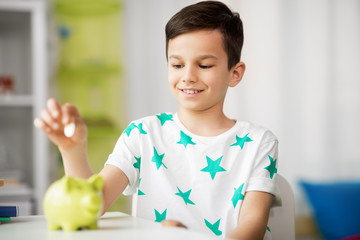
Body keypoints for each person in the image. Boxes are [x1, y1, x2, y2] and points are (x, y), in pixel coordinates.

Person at [34, 1, 279, 239]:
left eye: (204, 65)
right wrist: (72, 150)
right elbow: (93, 205)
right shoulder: (142, 133)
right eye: (177, 64)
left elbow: (253, 224)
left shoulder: (258, 141)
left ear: (234, 73)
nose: (188, 76)